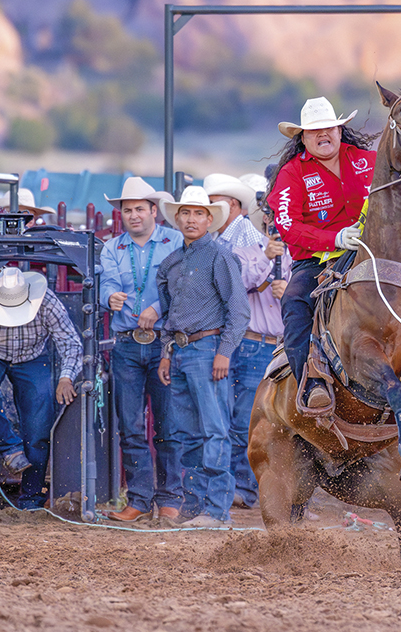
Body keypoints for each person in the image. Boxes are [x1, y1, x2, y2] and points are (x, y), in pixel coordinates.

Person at [266, 96, 376, 409]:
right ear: (302, 137)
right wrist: (334, 238)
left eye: (328, 127)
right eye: (314, 131)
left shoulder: (369, 160)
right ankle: (311, 380)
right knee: (294, 299)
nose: (322, 134)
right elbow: (288, 225)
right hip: (315, 263)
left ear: (340, 130)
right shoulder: (291, 173)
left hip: (374, 255)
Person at [156, 186, 250, 527]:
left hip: (208, 349)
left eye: (198, 213)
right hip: (180, 351)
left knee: (214, 430)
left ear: (210, 220)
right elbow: (169, 314)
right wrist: (166, 353)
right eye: (185, 213)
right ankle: (195, 507)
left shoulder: (220, 257)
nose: (191, 219)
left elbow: (239, 311)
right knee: (189, 433)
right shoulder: (171, 262)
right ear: (177, 218)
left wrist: (224, 352)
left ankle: (216, 510)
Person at [205, 172, 290, 510]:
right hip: (249, 342)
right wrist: (268, 259)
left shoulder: (297, 257)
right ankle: (239, 487)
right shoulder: (247, 251)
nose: (271, 223)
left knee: (259, 421)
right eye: (268, 217)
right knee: (237, 418)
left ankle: (247, 487)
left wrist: (289, 292)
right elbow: (237, 286)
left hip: (276, 345)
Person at [99, 177, 182, 522]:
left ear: (153, 211)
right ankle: (138, 498)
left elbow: (183, 286)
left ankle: (170, 498)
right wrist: (109, 297)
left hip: (165, 343)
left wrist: (158, 308)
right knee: (130, 426)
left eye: (139, 209)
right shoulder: (111, 247)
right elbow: (107, 282)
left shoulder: (174, 241)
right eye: (127, 210)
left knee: (168, 424)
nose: (133, 215)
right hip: (126, 344)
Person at [0, 268, 81, 510]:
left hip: (33, 356)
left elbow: (69, 340)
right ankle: (9, 448)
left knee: (38, 427)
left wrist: (66, 377)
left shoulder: (46, 301)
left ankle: (31, 499)